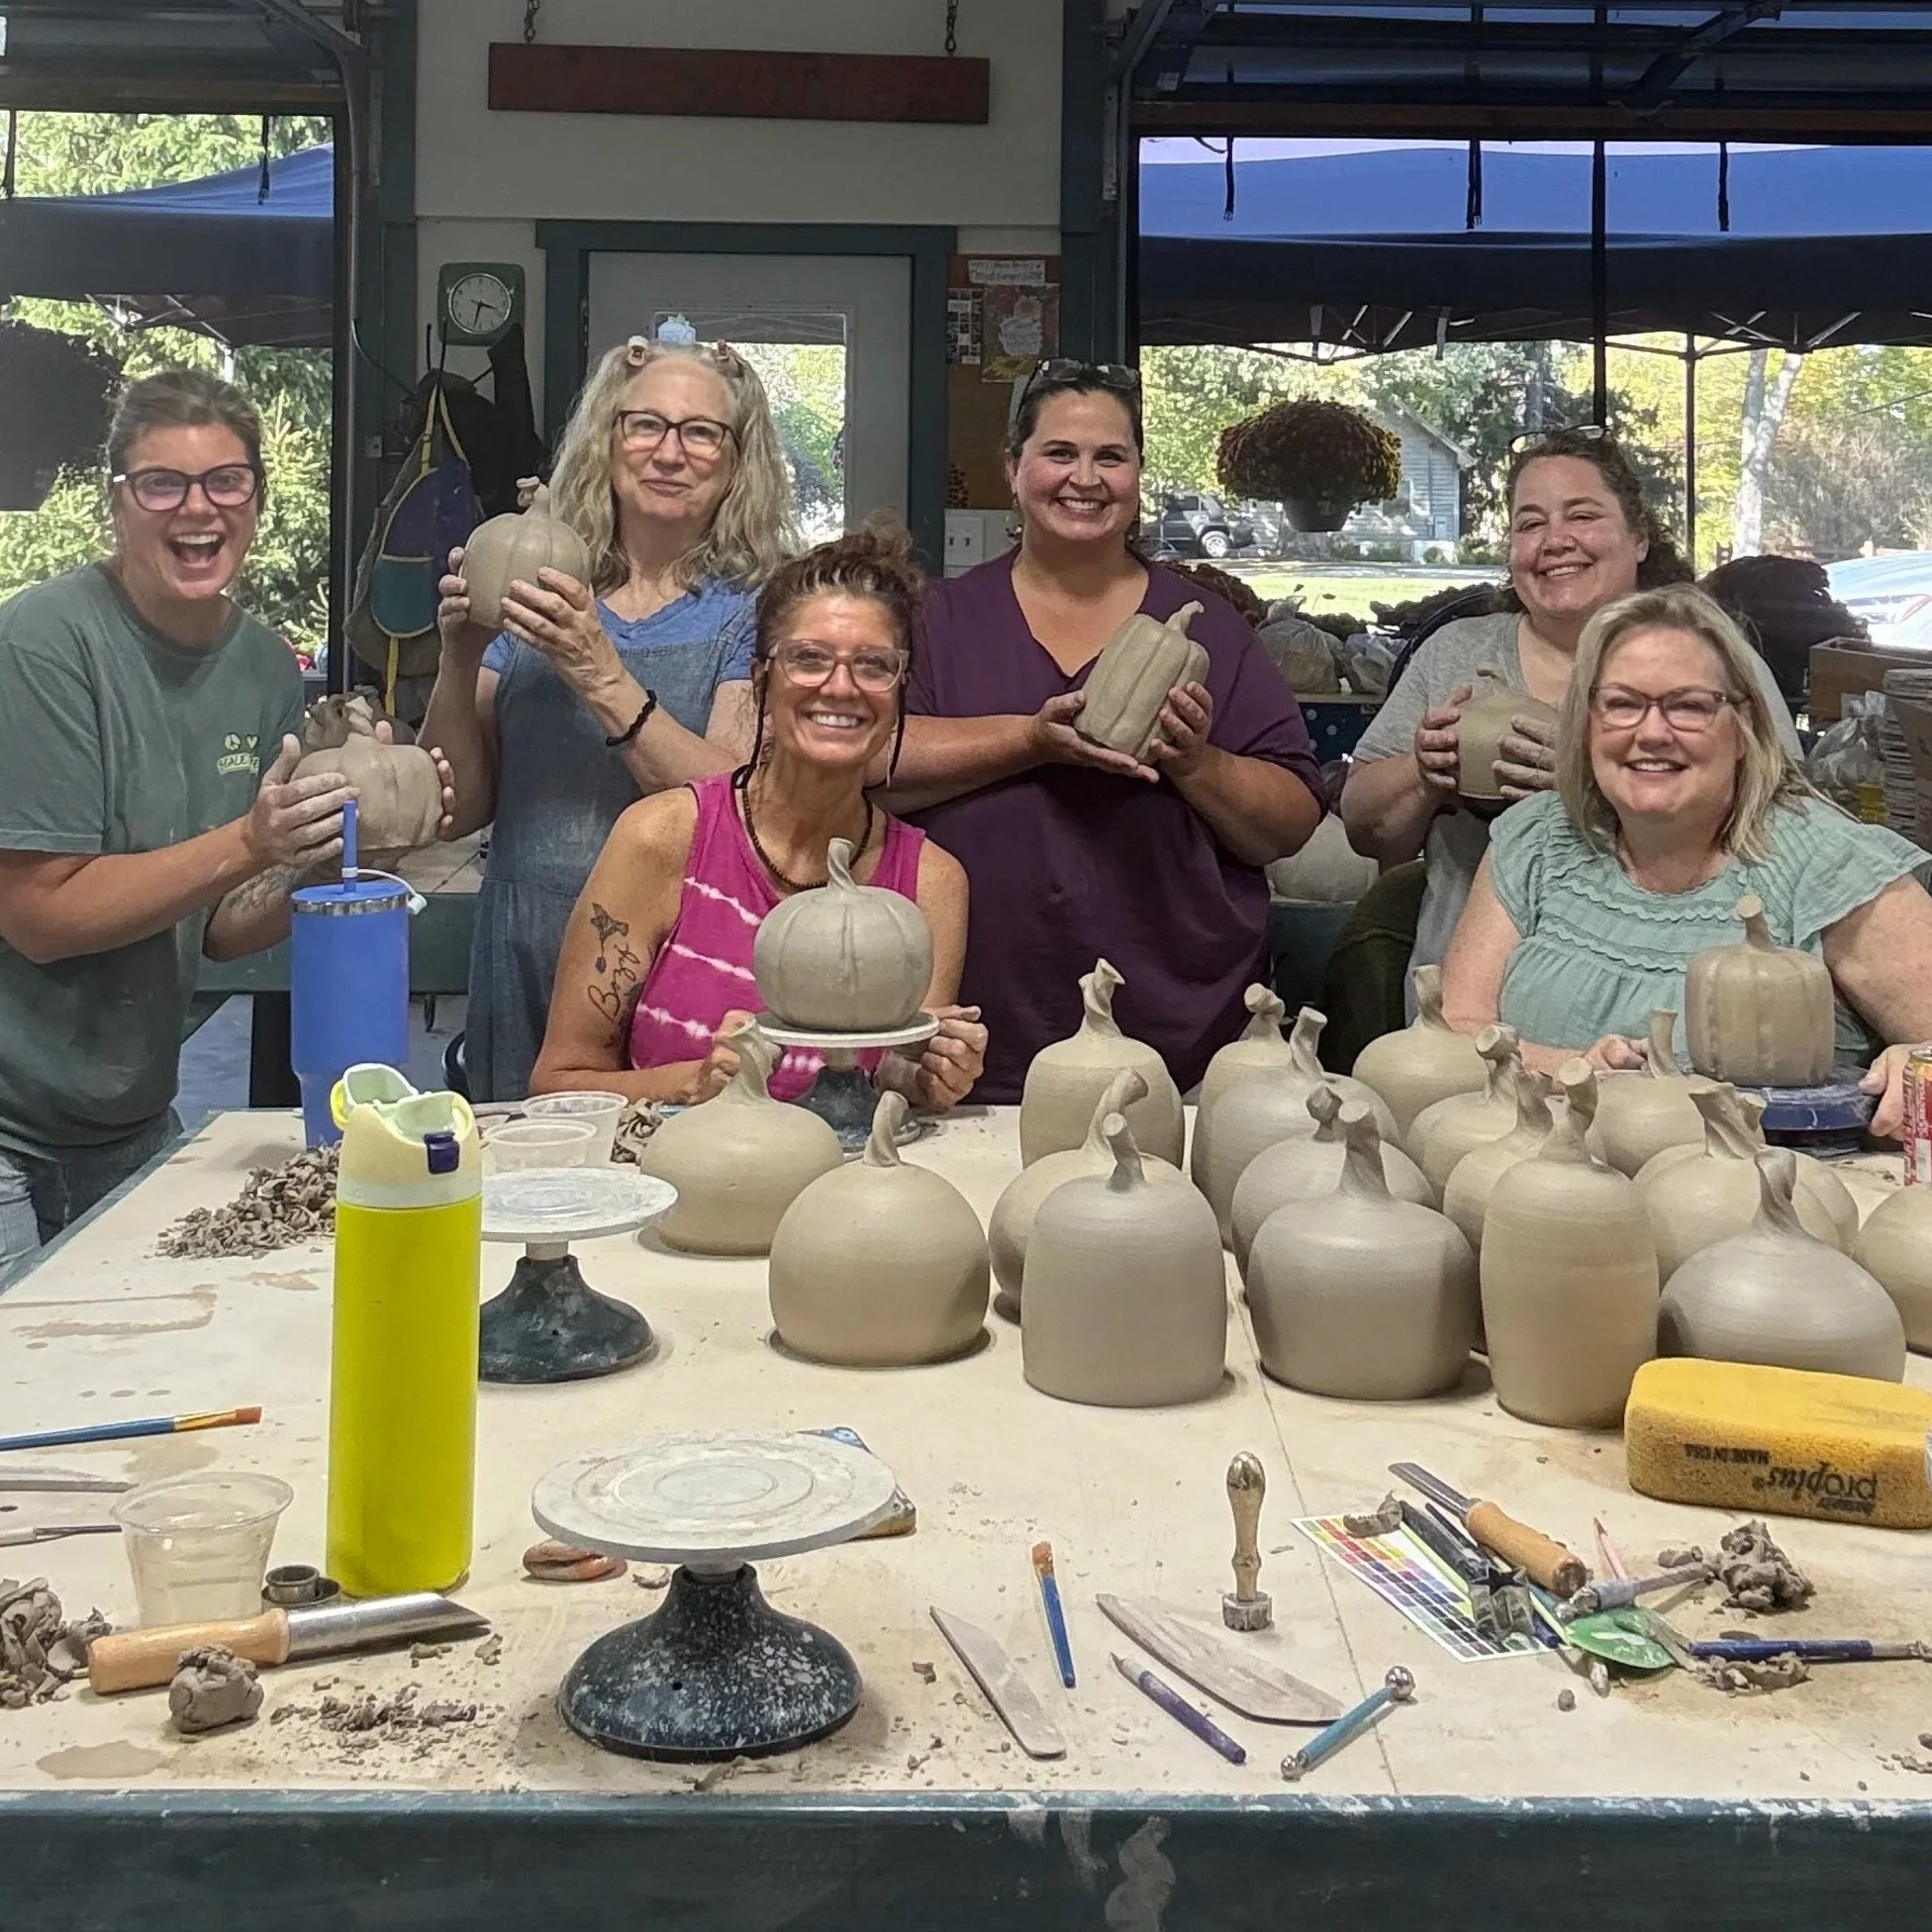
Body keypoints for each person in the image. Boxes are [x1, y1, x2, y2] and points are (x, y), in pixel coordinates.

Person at [0, 370, 441, 1279]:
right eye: (162, 483)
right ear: (116, 501)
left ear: (255, 500)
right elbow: (40, 920)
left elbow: (223, 927)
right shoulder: (43, 646)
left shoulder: (261, 666)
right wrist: (252, 839)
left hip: (128, 1113)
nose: (196, 509)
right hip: (10, 1126)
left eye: (225, 482)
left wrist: (342, 851)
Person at [883, 360, 1325, 1102]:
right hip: (969, 1031)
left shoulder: (1210, 628)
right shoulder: (938, 618)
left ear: (1137, 476)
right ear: (1014, 469)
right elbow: (871, 768)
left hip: (1173, 1033)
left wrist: (1195, 762)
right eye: (1059, 453)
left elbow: (1289, 824)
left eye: (1109, 457)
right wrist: (1029, 740)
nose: (1083, 478)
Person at [426, 333, 798, 1101]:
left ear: (738, 460)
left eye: (701, 432)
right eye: (646, 425)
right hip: (524, 944)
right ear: (610, 438)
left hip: (672, 964)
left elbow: (735, 807)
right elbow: (452, 808)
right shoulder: (541, 584)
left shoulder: (756, 612)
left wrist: (599, 671)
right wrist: (459, 657)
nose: (670, 452)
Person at [1439, 585, 1932, 1135]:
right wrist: (1572, 1069)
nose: (1652, 733)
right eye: (1623, 704)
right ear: (1587, 721)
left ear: (1743, 727)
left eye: (1688, 706)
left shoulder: (1830, 866)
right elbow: (1455, 1031)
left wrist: (1915, 1065)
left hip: (1767, 1199)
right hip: (1533, 1181)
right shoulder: (1537, 841)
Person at [531, 525, 986, 1111]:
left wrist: (925, 1079)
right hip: (679, 1180)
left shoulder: (930, 884)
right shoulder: (662, 839)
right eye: (809, 659)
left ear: (898, 690)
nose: (840, 687)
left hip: (846, 1193)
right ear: (761, 679)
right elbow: (557, 1082)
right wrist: (692, 1083)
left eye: (873, 665)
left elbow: (897, 1079)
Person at [1341, 428, 1799, 991]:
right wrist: (1423, 771)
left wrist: (1591, 786)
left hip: (1668, 993)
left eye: (1582, 516)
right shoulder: (1457, 653)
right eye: (1530, 524)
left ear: (1638, 537)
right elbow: (1364, 829)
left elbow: (1785, 824)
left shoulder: (1712, 657)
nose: (1555, 540)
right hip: (1468, 1007)